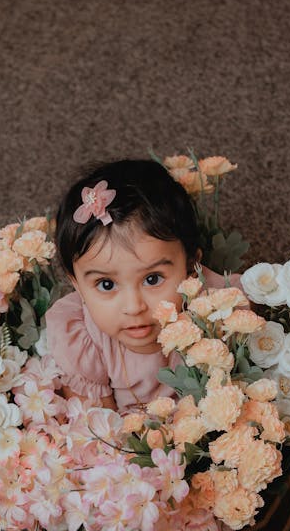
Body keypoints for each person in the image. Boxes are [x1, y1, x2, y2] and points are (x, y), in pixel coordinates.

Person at [45, 159, 246, 411]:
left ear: (191, 268)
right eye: (106, 284)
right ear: (76, 284)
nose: (134, 307)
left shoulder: (214, 310)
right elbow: (94, 427)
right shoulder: (82, 338)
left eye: (152, 279)